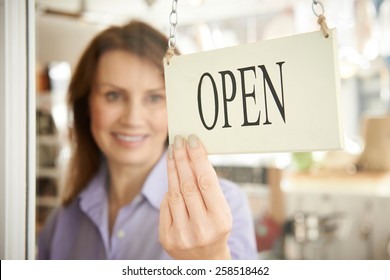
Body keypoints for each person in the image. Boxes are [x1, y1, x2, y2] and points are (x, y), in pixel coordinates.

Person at [37, 20, 257, 260]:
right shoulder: (62, 221)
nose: (133, 119)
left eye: (154, 98)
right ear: (86, 105)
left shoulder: (224, 208)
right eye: (113, 95)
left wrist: (212, 259)